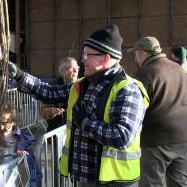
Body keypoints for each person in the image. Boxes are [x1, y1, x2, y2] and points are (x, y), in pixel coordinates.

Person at [8, 24, 149, 186]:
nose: (83, 59)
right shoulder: (82, 85)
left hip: (114, 182)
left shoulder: (127, 89)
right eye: (83, 54)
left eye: (88, 55)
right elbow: (49, 92)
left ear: (106, 59)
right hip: (83, 178)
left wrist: (85, 123)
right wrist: (19, 75)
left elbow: (122, 135)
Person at [132, 37, 187, 187]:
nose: (135, 58)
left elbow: (136, 107)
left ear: (143, 53)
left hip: (155, 140)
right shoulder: (179, 69)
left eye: (136, 54)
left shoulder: (145, 73)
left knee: (152, 183)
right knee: (180, 184)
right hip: (183, 137)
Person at [0, 104, 42, 187]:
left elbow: (34, 167)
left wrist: (24, 157)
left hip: (17, 182)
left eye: (4, 123)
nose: (0, 127)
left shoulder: (25, 139)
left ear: (13, 121)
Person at [40, 57, 79, 132]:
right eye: (71, 68)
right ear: (63, 71)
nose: (75, 70)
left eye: (76, 67)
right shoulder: (53, 88)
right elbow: (42, 112)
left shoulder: (82, 85)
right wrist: (52, 111)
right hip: (56, 133)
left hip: (75, 133)